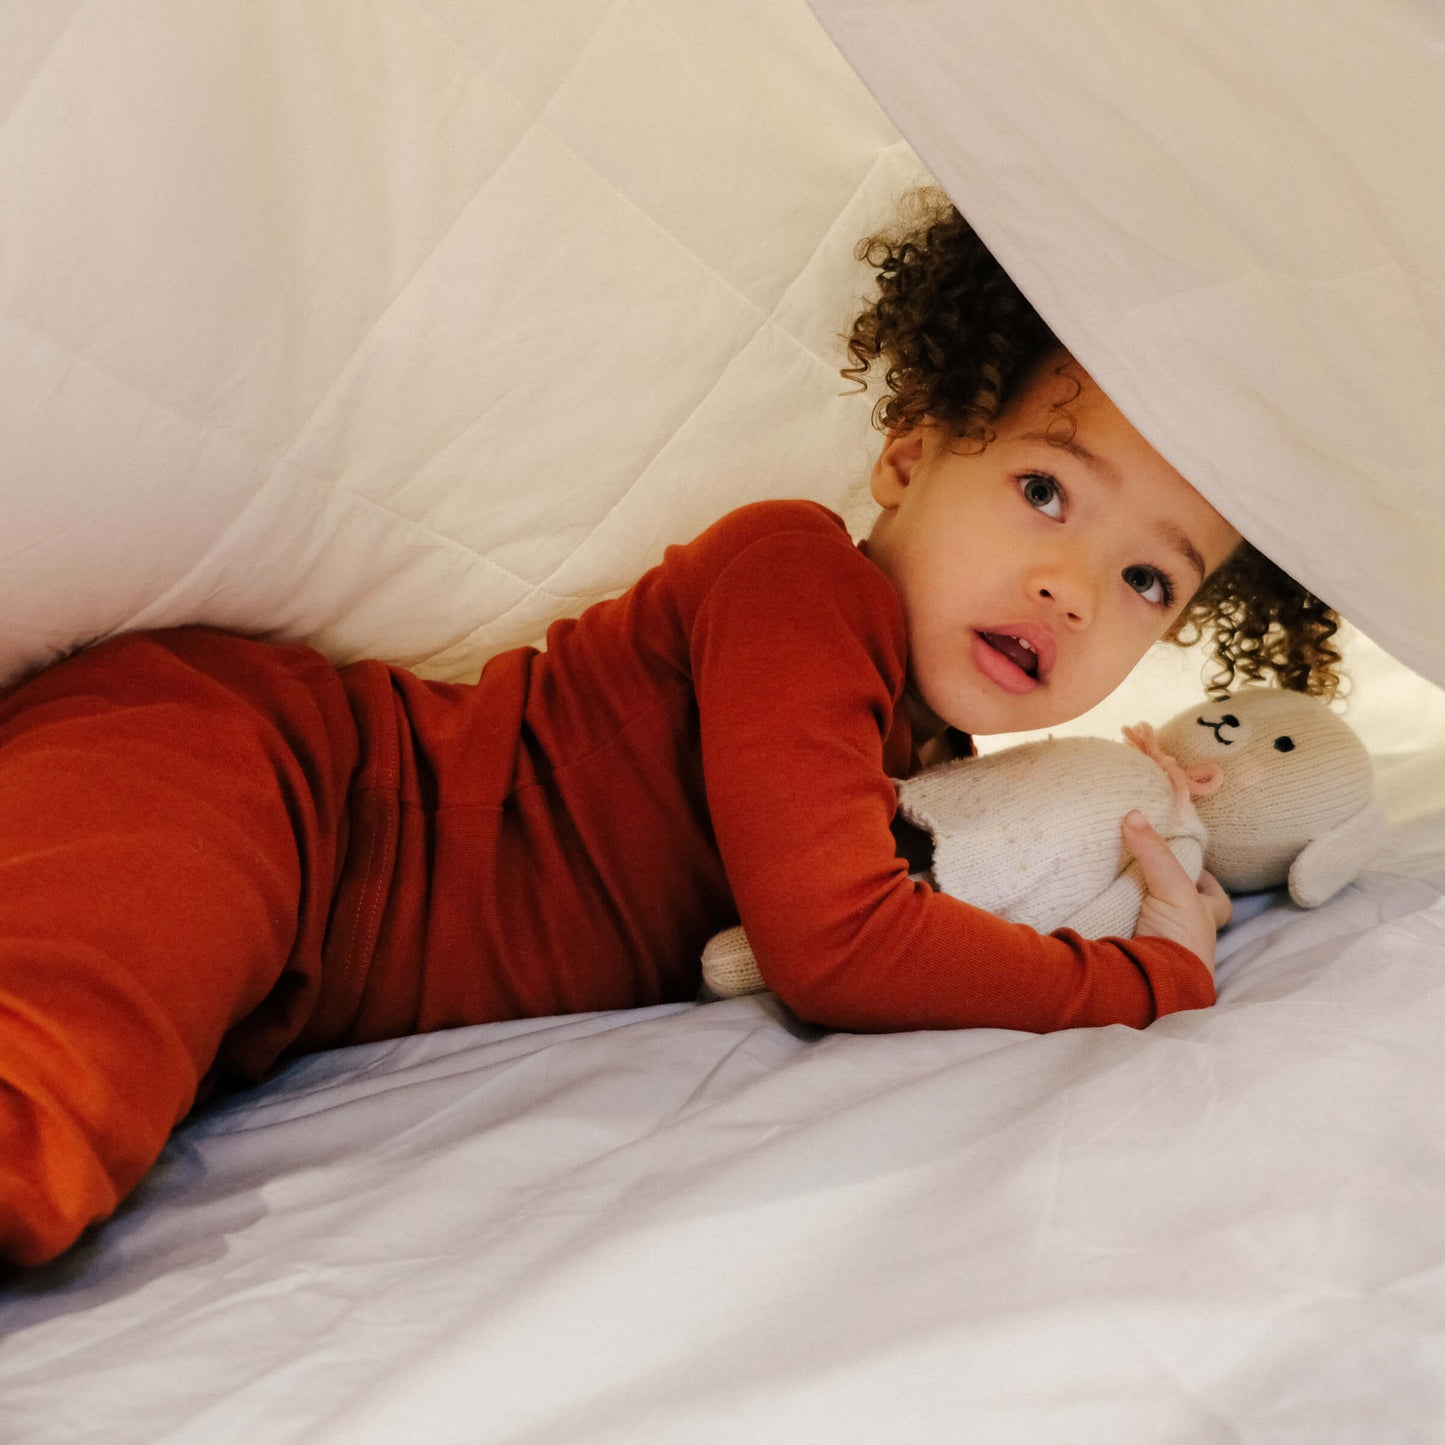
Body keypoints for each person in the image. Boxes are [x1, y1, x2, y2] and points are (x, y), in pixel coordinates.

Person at [0, 190, 1342, 1268]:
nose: (1073, 587)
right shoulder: (796, 580)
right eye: (1044, 490)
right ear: (908, 452)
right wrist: (1145, 977)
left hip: (290, 962)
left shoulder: (935, 761)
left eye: (1147, 579)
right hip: (255, 778)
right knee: (46, 1101)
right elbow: (841, 945)